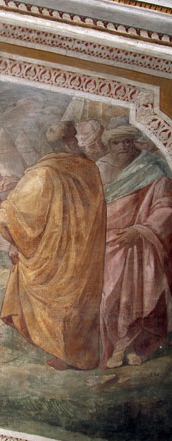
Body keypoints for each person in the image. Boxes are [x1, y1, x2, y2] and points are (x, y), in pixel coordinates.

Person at [0, 120, 106, 371]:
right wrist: (19, 182)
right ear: (71, 140)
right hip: (84, 250)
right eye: (76, 138)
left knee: (57, 299)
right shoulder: (89, 169)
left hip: (55, 254)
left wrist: (9, 195)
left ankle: (63, 353)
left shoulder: (43, 173)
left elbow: (11, 216)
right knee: (78, 299)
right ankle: (80, 354)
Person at [97, 126, 172, 368]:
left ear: (134, 143)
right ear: (109, 146)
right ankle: (116, 345)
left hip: (140, 244)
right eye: (117, 142)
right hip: (107, 244)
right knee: (110, 297)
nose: (123, 147)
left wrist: (139, 231)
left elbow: (165, 207)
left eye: (127, 141)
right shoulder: (99, 169)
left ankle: (133, 347)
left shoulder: (151, 170)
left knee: (138, 296)